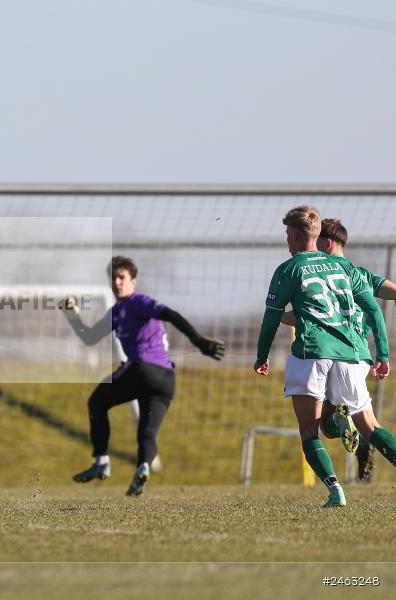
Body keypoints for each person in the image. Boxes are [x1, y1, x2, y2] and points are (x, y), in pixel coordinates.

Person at [254, 206, 391, 508]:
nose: (287, 241)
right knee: (370, 426)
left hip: (312, 352)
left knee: (308, 429)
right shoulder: (344, 268)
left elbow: (271, 318)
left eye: (288, 235)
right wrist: (383, 353)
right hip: (350, 355)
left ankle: (335, 491)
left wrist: (261, 356)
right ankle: (341, 424)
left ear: (294, 236)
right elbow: (373, 309)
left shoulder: (289, 269)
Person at [62, 256, 225, 496]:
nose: (117, 282)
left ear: (133, 282)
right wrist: (74, 318)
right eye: (114, 278)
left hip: (143, 371)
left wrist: (199, 341)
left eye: (122, 277)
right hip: (166, 380)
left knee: (97, 401)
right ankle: (143, 468)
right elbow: (90, 337)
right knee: (147, 432)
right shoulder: (116, 312)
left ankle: (102, 463)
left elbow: (171, 314)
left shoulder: (137, 302)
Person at [279, 218, 396, 480]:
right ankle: (358, 434)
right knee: (364, 422)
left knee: (325, 426)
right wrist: (383, 353)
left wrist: (276, 314)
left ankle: (352, 432)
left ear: (326, 243)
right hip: (356, 356)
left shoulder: (317, 274)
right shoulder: (361, 275)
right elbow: (390, 294)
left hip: (324, 353)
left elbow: (305, 316)